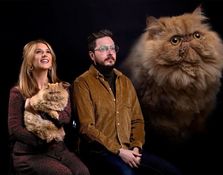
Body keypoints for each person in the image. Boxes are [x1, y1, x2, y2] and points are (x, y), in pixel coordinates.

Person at [72, 29, 182, 175]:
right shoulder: (82, 83)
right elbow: (86, 128)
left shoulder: (125, 82)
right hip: (99, 153)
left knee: (171, 171)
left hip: (129, 150)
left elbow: (137, 121)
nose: (110, 52)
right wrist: (119, 151)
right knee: (127, 174)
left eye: (112, 48)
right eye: (104, 49)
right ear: (92, 55)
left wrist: (136, 147)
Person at [8, 39, 90, 175]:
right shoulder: (18, 92)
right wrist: (42, 140)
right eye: (38, 52)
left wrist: (38, 106)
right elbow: (15, 129)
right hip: (30, 153)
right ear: (29, 62)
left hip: (58, 150)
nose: (45, 55)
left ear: (52, 61)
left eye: (48, 52)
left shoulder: (60, 88)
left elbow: (65, 118)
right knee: (63, 173)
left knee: (83, 171)